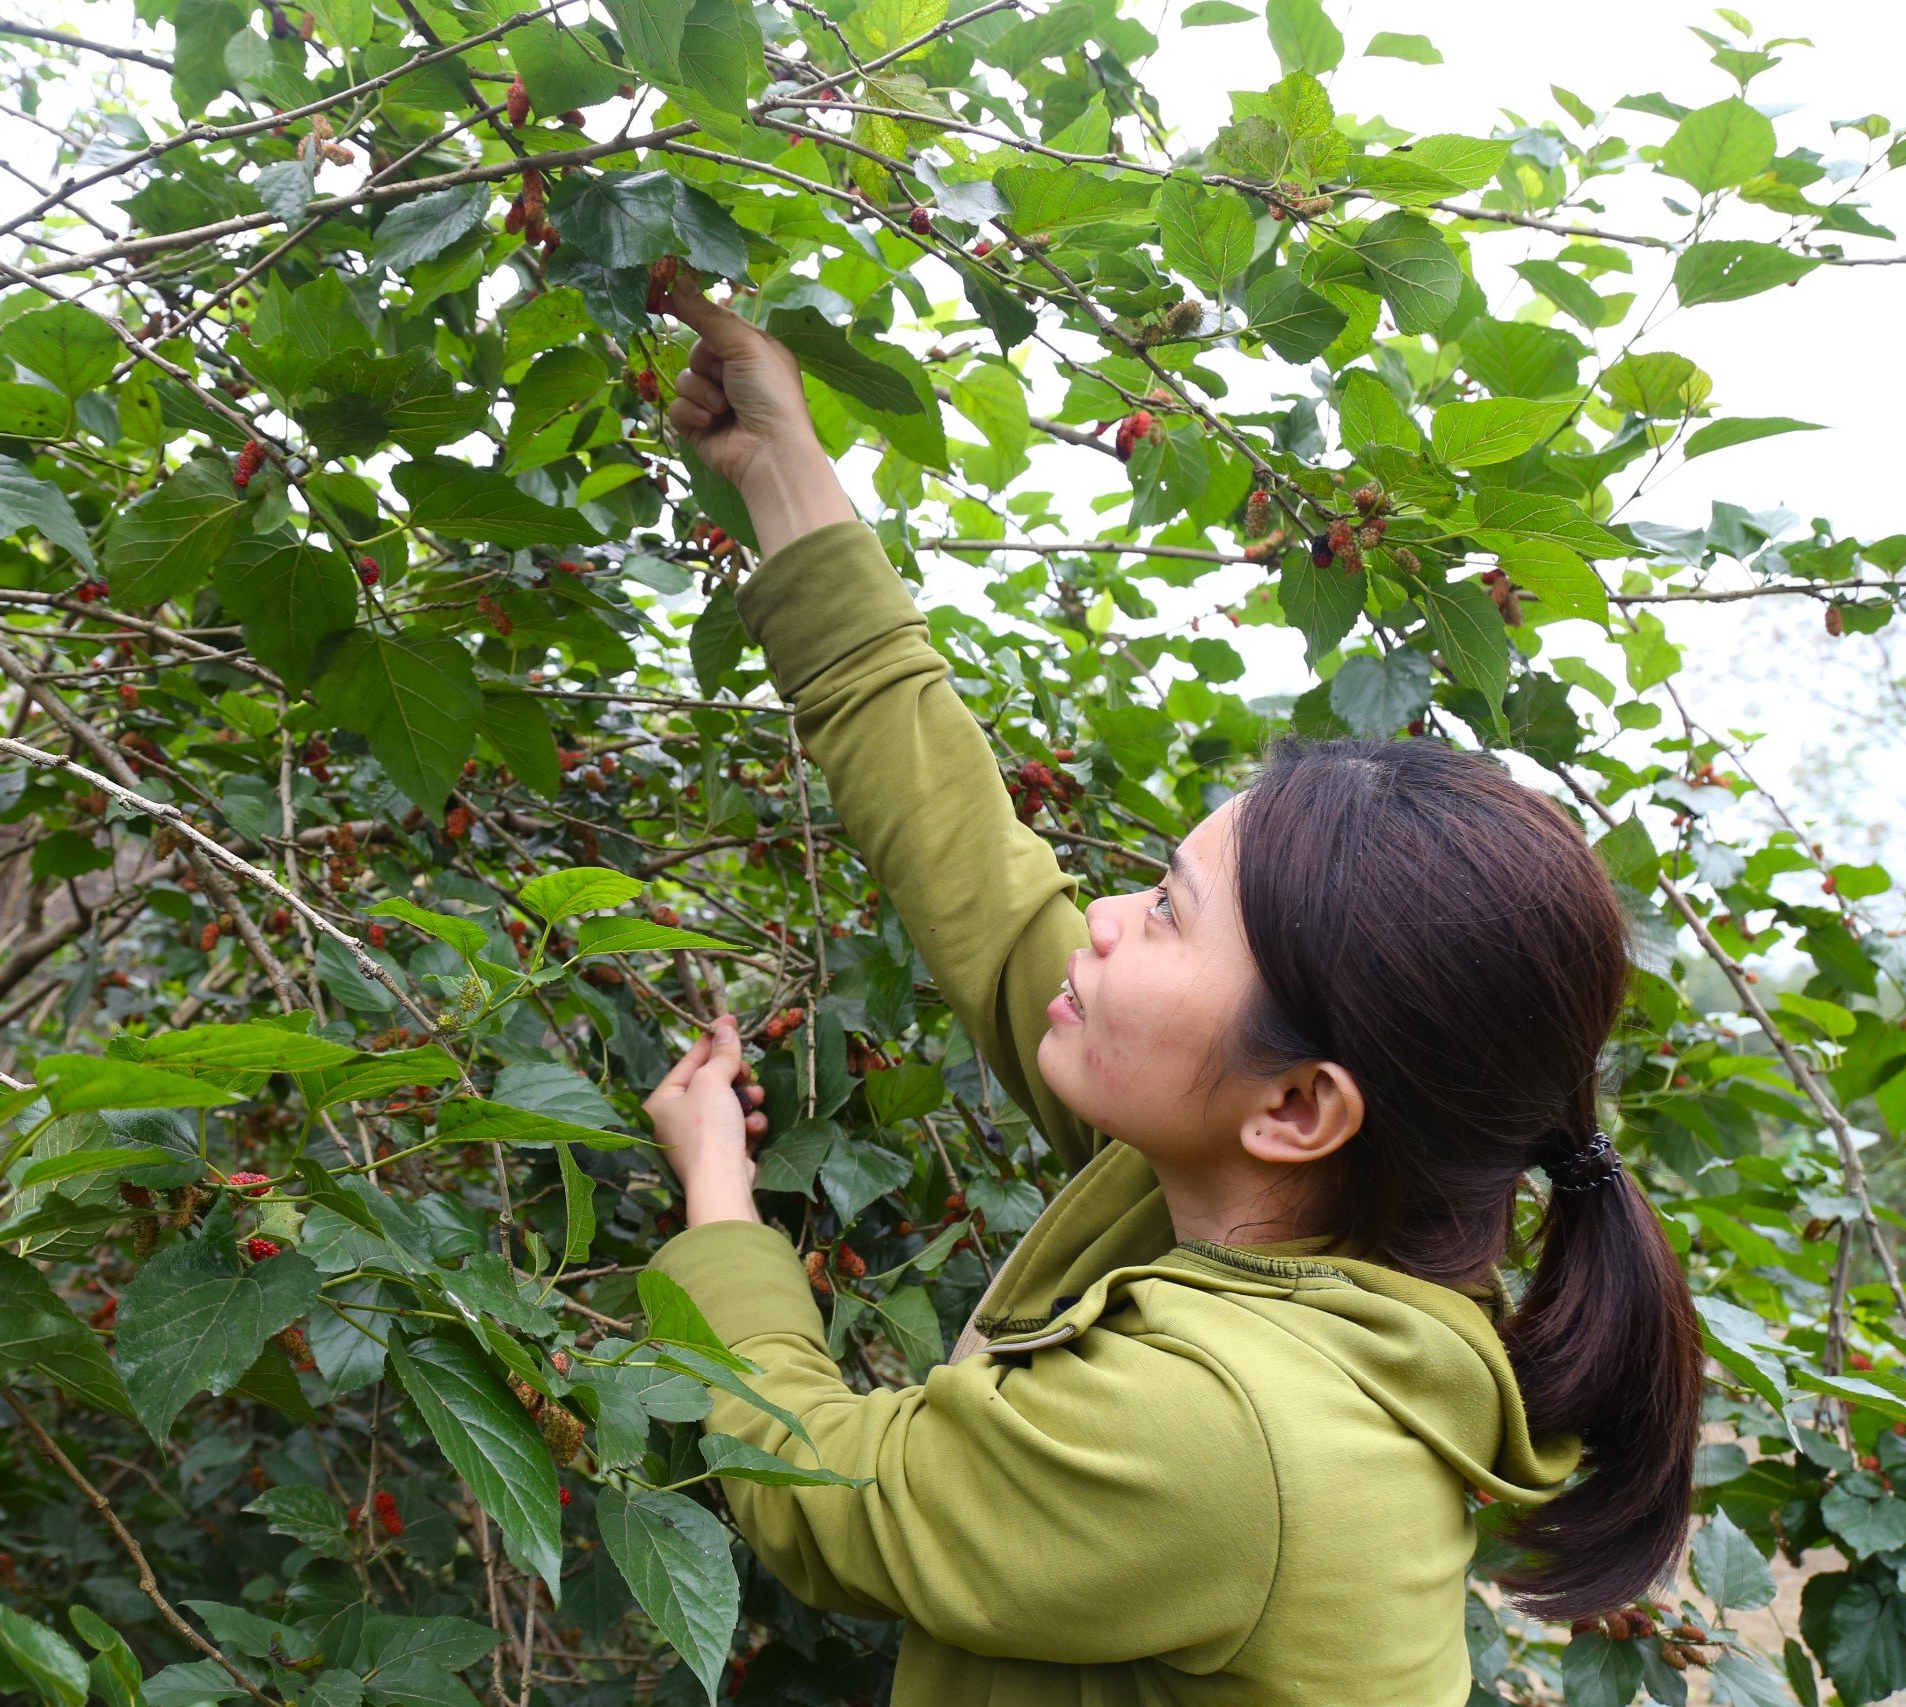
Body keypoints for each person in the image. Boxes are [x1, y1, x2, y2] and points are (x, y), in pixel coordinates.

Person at [636, 275, 1703, 1705]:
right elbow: (973, 870)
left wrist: (717, 1205)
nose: (1104, 922)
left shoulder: (1225, 1429)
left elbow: (825, 1488)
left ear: (1302, 1105)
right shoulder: (1239, 1202)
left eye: (1171, 917)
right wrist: (780, 466)